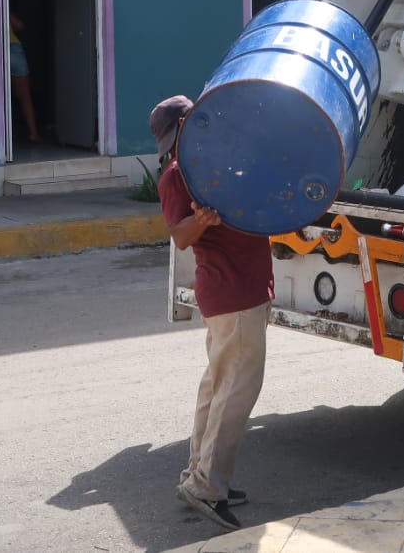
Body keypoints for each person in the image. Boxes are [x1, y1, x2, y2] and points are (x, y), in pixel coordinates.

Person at [150, 94, 273, 532]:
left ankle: (197, 476)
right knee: (235, 391)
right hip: (231, 293)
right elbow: (181, 237)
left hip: (239, 289)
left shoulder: (217, 161)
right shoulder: (176, 176)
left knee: (216, 386)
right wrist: (201, 220)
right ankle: (206, 486)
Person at [9, 13, 41, 143]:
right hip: (14, 47)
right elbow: (19, 26)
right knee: (24, 96)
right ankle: (33, 133)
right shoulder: (3, 7)